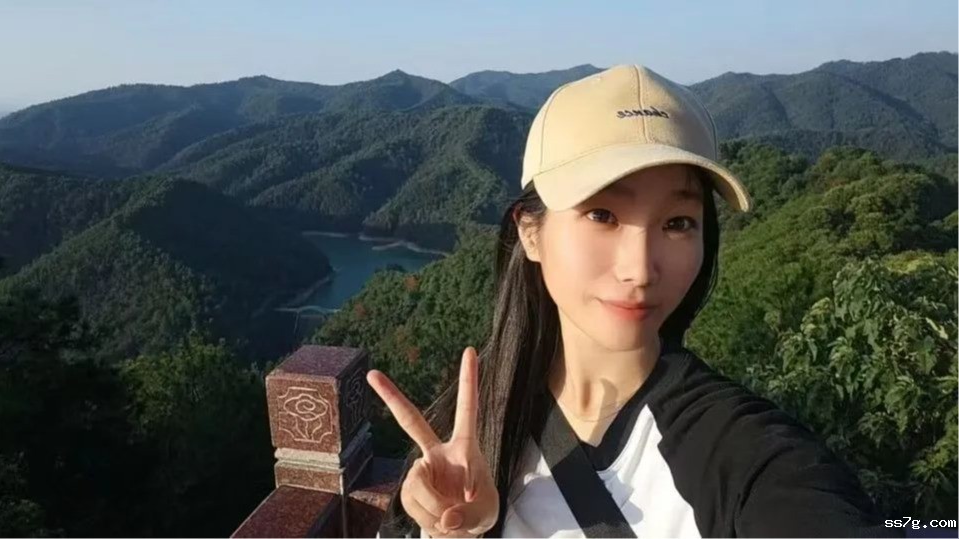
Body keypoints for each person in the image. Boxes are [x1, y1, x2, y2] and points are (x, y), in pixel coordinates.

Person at [367, 64, 898, 538]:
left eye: (677, 223)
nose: (641, 270)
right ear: (530, 232)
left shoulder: (738, 454)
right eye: (602, 215)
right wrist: (456, 534)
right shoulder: (474, 431)